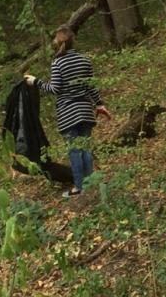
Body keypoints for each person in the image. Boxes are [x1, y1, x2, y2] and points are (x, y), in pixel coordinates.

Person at [25, 27, 110, 197]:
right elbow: (91, 86)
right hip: (85, 110)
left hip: (68, 113)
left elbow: (55, 89)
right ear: (73, 41)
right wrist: (100, 104)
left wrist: (35, 81)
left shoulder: (58, 63)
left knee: (74, 151)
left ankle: (79, 187)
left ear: (58, 43)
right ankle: (90, 184)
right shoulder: (85, 60)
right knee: (85, 149)